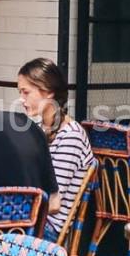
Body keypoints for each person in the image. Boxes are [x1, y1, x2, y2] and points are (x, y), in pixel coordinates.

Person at [16, 58, 94, 239]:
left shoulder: (70, 135)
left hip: (48, 230)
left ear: (48, 91)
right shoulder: (43, 129)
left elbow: (52, 204)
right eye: (20, 92)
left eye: (26, 92)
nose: (21, 99)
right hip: (35, 222)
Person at [0, 93, 58, 201]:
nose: (22, 99)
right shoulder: (27, 125)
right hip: (31, 214)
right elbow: (54, 203)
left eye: (26, 91)